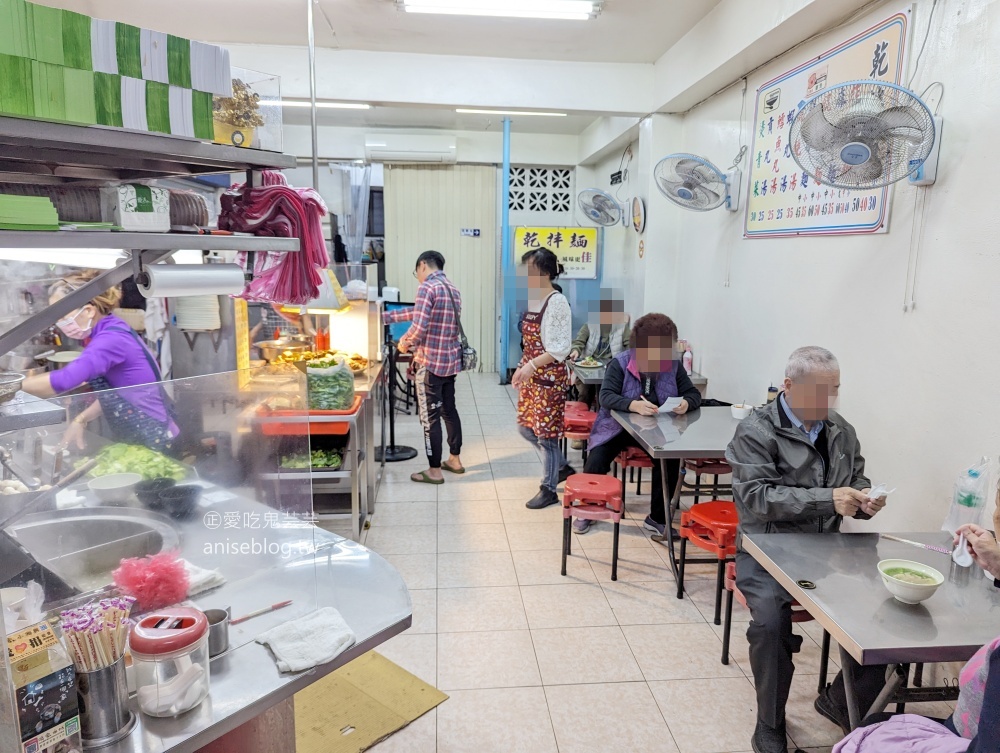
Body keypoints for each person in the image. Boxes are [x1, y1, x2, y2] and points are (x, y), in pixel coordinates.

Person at [725, 346, 889, 753]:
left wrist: (865, 499)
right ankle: (770, 723)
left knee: (884, 606)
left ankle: (838, 700)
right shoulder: (756, 431)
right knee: (770, 624)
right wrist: (828, 499)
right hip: (766, 548)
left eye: (833, 390)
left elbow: (856, 477)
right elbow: (756, 499)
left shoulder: (841, 429)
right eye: (818, 390)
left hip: (827, 548)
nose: (827, 400)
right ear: (788, 386)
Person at [21, 271, 178, 453]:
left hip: (155, 438)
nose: (59, 323)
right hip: (139, 437)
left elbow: (66, 379)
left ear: (88, 311)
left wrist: (8, 388)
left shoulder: (110, 339)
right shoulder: (111, 328)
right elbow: (119, 393)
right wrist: (81, 419)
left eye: (62, 316)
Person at [579, 313, 700, 535]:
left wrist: (686, 402)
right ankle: (589, 508)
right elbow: (606, 396)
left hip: (658, 428)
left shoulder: (673, 366)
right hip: (619, 426)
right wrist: (633, 406)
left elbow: (692, 393)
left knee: (669, 460)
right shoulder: (621, 363)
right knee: (597, 456)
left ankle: (657, 518)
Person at [832, 634, 1000, 753]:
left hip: (961, 740)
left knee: (869, 732)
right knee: (875, 720)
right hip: (961, 731)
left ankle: (834, 701)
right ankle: (834, 701)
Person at [382, 250, 464, 484]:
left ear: (422, 266)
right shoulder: (453, 289)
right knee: (449, 411)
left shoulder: (427, 287)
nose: (417, 276)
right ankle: (454, 459)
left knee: (430, 418)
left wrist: (403, 344)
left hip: (430, 365)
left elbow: (419, 326)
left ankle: (434, 470)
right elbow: (421, 313)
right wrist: (386, 316)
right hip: (449, 362)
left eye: (416, 272)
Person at [514, 249, 575, 510]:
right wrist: (523, 368)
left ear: (546, 273)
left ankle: (548, 489)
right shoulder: (534, 299)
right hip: (532, 377)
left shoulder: (557, 302)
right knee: (526, 428)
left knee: (547, 437)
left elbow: (559, 349)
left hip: (548, 378)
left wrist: (530, 366)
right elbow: (529, 341)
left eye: (532, 270)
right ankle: (561, 467)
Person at [568, 290, 631, 448]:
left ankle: (606, 436)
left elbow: (632, 348)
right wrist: (575, 351)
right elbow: (578, 342)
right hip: (588, 369)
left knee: (608, 396)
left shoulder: (622, 329)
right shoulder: (589, 326)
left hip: (612, 371)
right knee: (585, 392)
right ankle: (581, 434)